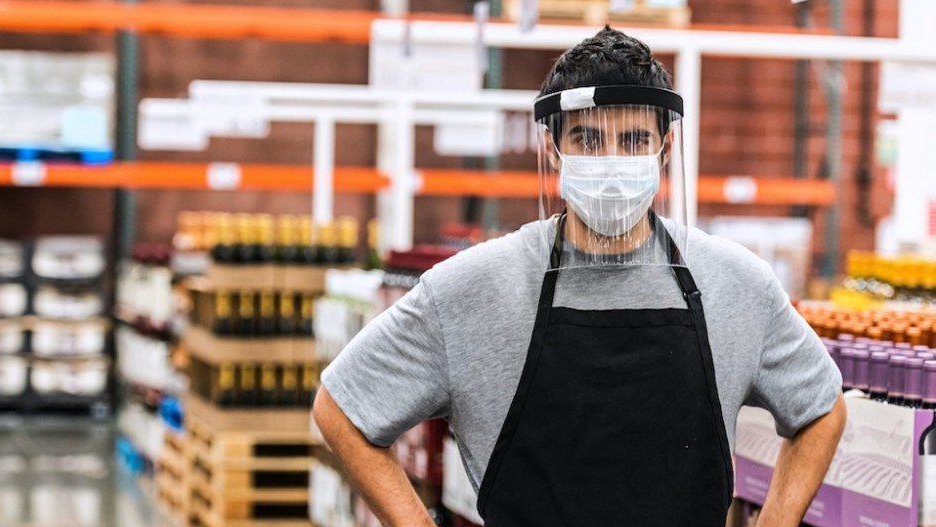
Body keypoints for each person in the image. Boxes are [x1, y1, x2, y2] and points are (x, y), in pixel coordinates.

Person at [314, 27, 845, 526]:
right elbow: (341, 407)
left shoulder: (735, 284)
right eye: (589, 139)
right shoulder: (474, 288)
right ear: (553, 149)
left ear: (666, 150)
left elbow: (822, 407)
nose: (612, 162)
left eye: (635, 139)